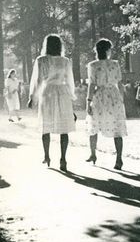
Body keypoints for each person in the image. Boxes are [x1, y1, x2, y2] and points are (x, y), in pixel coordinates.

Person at [28, 34, 76, 172]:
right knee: (64, 128)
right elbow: (69, 80)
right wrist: (71, 95)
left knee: (45, 125)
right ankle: (63, 158)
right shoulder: (65, 61)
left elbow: (37, 80)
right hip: (62, 92)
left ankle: (47, 155)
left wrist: (33, 97)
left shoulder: (41, 60)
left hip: (47, 92)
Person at [85, 39, 127, 169]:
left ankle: (93, 154)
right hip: (113, 95)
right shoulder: (115, 64)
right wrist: (121, 98)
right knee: (117, 127)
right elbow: (119, 83)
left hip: (100, 95)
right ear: (108, 50)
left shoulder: (93, 65)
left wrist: (88, 101)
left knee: (94, 124)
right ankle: (119, 159)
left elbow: (92, 84)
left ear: (97, 50)